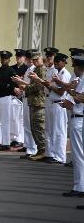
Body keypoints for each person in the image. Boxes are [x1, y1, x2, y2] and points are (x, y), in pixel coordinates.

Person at [12, 51, 47, 161]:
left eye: (37, 59)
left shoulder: (41, 69)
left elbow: (37, 86)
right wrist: (20, 82)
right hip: (33, 101)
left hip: (38, 102)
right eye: (34, 60)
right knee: (34, 128)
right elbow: (32, 85)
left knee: (38, 128)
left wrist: (23, 87)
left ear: (41, 58)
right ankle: (39, 150)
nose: (35, 61)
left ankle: (42, 150)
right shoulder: (36, 69)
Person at [60, 55, 84, 197]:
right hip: (77, 117)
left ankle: (79, 187)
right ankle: (80, 186)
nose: (73, 69)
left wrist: (71, 93)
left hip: (79, 119)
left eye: (74, 66)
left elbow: (81, 97)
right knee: (79, 155)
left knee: (78, 155)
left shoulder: (82, 80)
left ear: (79, 67)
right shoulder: (79, 80)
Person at [43, 53, 71, 164]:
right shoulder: (57, 72)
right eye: (55, 61)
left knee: (60, 131)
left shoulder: (65, 73)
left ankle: (60, 156)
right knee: (52, 130)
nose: (56, 63)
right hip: (52, 103)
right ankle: (53, 154)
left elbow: (61, 91)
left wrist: (50, 86)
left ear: (64, 62)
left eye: (58, 62)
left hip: (60, 104)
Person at [17, 49, 38, 159]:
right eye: (28, 58)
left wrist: (21, 83)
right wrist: (20, 85)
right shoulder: (28, 69)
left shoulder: (34, 69)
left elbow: (32, 85)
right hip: (25, 98)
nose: (28, 60)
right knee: (26, 125)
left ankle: (33, 149)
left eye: (29, 58)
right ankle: (29, 148)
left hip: (30, 99)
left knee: (31, 125)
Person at [10, 49, 28, 148]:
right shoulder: (12, 68)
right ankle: (14, 138)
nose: (18, 58)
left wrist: (21, 89)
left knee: (21, 119)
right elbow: (9, 82)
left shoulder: (26, 68)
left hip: (23, 95)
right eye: (17, 56)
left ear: (24, 58)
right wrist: (14, 88)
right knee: (13, 118)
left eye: (20, 57)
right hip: (13, 96)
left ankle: (21, 139)